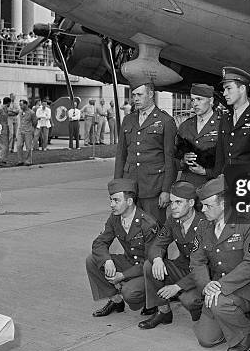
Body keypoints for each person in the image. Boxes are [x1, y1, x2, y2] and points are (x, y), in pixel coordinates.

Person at [190, 175, 250, 351]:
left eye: (208, 205)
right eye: (203, 205)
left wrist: (221, 287)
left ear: (224, 204)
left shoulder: (248, 225)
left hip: (247, 288)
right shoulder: (203, 226)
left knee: (219, 304)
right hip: (216, 286)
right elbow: (197, 260)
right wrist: (207, 285)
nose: (203, 209)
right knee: (206, 339)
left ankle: (247, 333)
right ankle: (232, 318)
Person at [86, 179, 159, 317]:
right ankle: (116, 300)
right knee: (92, 260)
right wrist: (107, 260)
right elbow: (99, 243)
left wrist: (122, 276)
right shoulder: (115, 218)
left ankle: (152, 302)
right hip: (129, 261)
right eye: (111, 200)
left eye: (116, 201)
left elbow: (150, 261)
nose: (111, 205)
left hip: (147, 269)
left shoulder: (148, 224)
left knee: (130, 293)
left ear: (130, 201)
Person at [139, 180, 205, 329]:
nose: (173, 207)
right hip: (184, 268)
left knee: (189, 299)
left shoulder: (204, 224)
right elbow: (157, 244)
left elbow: (204, 267)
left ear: (191, 203)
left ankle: (205, 315)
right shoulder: (173, 220)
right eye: (172, 202)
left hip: (203, 274)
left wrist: (177, 286)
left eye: (179, 202)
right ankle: (163, 311)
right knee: (150, 265)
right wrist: (157, 260)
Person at [114, 80, 177, 223]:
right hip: (130, 187)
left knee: (154, 230)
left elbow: (170, 158)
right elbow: (121, 155)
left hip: (153, 187)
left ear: (150, 94)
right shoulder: (128, 120)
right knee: (131, 230)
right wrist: (117, 186)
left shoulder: (165, 121)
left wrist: (166, 190)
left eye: (139, 95)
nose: (135, 98)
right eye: (134, 95)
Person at [213, 67, 250, 176]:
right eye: (224, 89)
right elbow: (220, 157)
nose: (225, 93)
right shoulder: (225, 119)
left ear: (242, 89)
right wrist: (216, 180)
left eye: (229, 88)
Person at [175, 83, 220, 187]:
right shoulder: (185, 125)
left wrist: (206, 172)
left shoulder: (222, 125)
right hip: (187, 185)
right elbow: (174, 156)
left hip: (211, 186)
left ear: (211, 101)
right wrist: (183, 160)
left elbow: (228, 160)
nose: (195, 104)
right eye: (193, 100)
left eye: (199, 99)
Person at [17, 100, 37, 165]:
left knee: (28, 147)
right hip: (21, 131)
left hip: (28, 131)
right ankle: (20, 160)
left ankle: (28, 161)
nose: (20, 106)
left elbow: (35, 122)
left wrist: (32, 130)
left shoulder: (31, 113)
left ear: (26, 104)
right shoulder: (20, 112)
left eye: (21, 105)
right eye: (20, 105)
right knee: (19, 145)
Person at [0, 97, 11, 165]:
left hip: (5, 127)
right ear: (8, 103)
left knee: (6, 144)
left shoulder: (6, 109)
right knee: (3, 144)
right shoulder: (0, 109)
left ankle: (4, 159)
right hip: (1, 128)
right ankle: (1, 160)